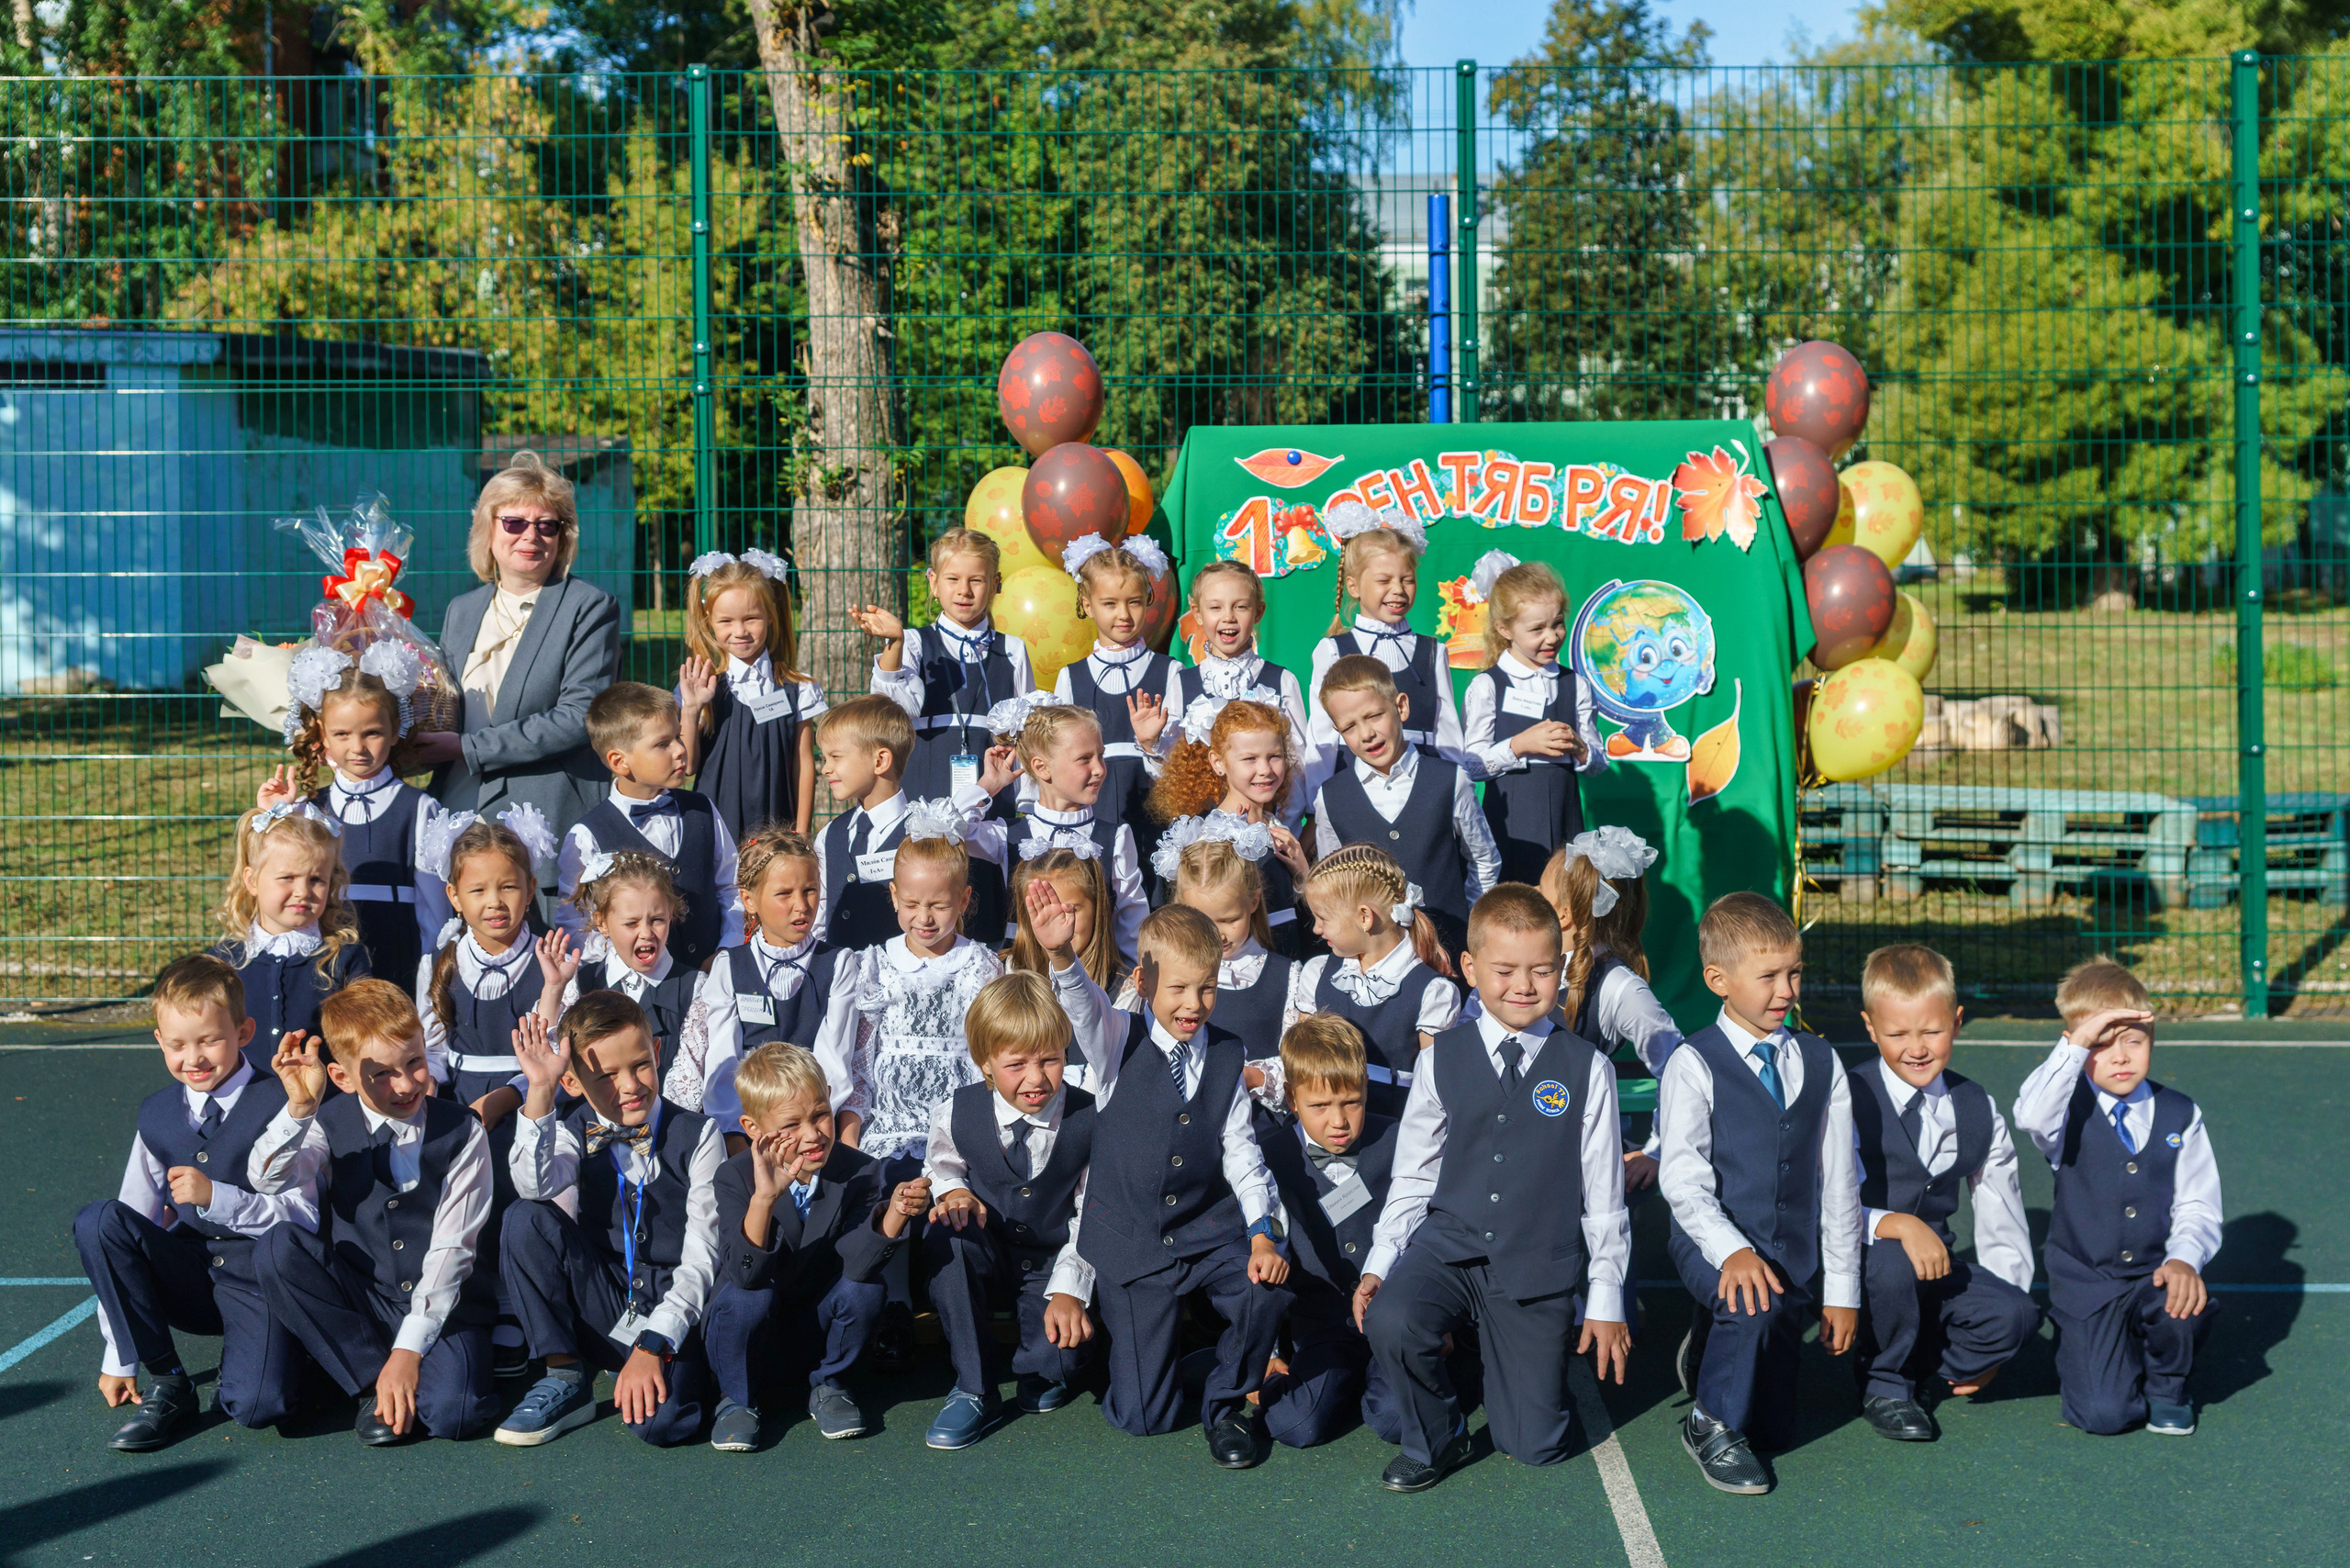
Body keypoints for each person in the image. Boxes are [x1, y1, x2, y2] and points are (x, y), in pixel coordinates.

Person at [1357, 884, 1631, 1493]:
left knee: (1536, 1446)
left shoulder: (1589, 1069)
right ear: (1470, 968)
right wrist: (1381, 1263)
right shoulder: (1439, 1058)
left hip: (1536, 1264)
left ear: (1561, 969)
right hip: (1447, 1248)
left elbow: (1605, 1199)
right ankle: (1439, 1436)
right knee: (1393, 1319)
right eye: (1505, 971)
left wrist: (1607, 1298)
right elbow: (1414, 1175)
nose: (1523, 986)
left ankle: (1512, 1366)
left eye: (1541, 970)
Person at [1041, 890, 1292, 1468]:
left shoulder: (1229, 1053)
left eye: (1207, 987)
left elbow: (1241, 1151)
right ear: (1145, 981)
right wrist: (1062, 958)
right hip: (1132, 1243)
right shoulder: (1116, 1042)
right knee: (1144, 1419)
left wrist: (1260, 1231)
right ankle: (1189, 1360)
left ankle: (1226, 1405)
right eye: (1178, 988)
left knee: (1266, 1288)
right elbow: (1084, 1007)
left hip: (1208, 1230)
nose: (1194, 1003)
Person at [1659, 892, 1860, 1495]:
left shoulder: (1823, 1062)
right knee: (1750, 1300)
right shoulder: (1693, 1063)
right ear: (1719, 980)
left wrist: (1842, 1289)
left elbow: (1840, 1185)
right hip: (1713, 1244)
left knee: (1775, 1427)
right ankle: (1708, 1423)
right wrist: (1730, 1252)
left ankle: (1711, 1351)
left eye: (1794, 972)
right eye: (1768, 976)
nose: (1786, 990)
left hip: (1791, 1255)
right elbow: (1682, 1178)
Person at [248, 979, 498, 1445]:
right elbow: (267, 1180)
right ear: (342, 1078)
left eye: (414, 1063)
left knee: (455, 1415)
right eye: (381, 1073)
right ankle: (366, 1382)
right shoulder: (326, 1123)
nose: (405, 1085)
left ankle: (391, 1371)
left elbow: (452, 1249)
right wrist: (300, 1106)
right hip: (363, 1297)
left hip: (442, 1302)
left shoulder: (463, 1132)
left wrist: (407, 1351)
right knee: (278, 1248)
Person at [73, 955, 308, 1450]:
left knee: (261, 1407)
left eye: (209, 1040)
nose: (194, 1058)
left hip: (259, 1279)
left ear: (244, 1032)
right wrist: (120, 1355)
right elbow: (130, 1221)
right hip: (190, 1277)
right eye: (177, 1044)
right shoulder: (157, 1113)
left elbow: (305, 1215)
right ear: (159, 1041)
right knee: (99, 1221)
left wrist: (218, 1197)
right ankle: (171, 1380)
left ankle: (293, 1350)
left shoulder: (284, 1101)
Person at [492, 996, 726, 1448]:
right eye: (607, 1076)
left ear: (657, 1053)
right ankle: (564, 1373)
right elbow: (533, 1186)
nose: (631, 1086)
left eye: (640, 1065)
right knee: (525, 1218)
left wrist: (656, 1341)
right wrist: (540, 1090)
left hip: (672, 1309)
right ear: (574, 1082)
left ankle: (679, 1371)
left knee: (665, 1426)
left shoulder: (700, 1135)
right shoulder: (569, 1126)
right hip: (606, 1300)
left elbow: (703, 1259)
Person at [822, 807, 1003, 1369]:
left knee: (945, 1194)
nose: (925, 918)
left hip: (956, 1118)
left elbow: (988, 1055)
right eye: (913, 904)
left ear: (965, 901)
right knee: (888, 1189)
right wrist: (851, 1130)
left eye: (940, 905)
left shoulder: (979, 966)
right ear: (894, 899)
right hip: (891, 1117)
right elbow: (858, 1056)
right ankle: (896, 1305)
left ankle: (954, 1308)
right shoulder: (872, 965)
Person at [2013, 957, 2220, 1438]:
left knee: (2183, 1302)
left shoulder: (2179, 1113)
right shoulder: (2062, 1112)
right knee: (2106, 1416)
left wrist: (2185, 1259)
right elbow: (2029, 1115)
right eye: (2102, 1046)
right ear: (2078, 1047)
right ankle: (2091, 1347)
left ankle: (2168, 1386)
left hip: (2153, 1276)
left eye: (2133, 1040)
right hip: (2089, 1287)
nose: (2120, 1057)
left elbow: (2198, 1203)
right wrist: (2077, 1042)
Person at [413, 451, 625, 917]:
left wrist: (465, 748)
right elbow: (441, 703)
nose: (531, 536)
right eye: (514, 523)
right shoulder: (461, 610)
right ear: (488, 531)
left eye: (547, 526)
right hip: (457, 809)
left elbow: (578, 716)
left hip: (543, 815)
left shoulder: (589, 606)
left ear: (562, 538)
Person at [1849, 944, 2040, 1442]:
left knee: (2018, 1313)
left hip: (1934, 1266)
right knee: (1893, 1264)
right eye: (1897, 1034)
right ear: (1870, 1028)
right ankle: (1885, 1382)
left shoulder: (1976, 1105)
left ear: (1956, 1022)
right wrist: (1896, 1225)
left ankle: (1921, 1362)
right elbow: (1825, 1198)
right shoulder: (1848, 1097)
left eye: (1931, 1031)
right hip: (1858, 1260)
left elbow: (2001, 1210)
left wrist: (2002, 1333)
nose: (1916, 1048)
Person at [415, 810, 572, 1378]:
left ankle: (512, 1307)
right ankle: (466, 1301)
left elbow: (549, 1043)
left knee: (511, 1196)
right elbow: (430, 1041)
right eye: (478, 889)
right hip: (461, 1102)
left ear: (531, 889)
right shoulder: (443, 961)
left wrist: (504, 1102)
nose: (495, 901)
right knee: (461, 1203)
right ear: (454, 895)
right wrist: (433, 1092)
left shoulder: (550, 961)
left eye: (509, 886)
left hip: (524, 1096)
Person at [917, 970, 1097, 1450]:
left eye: (1051, 1060)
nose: (1036, 1079)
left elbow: (1092, 1212)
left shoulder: (1088, 1118)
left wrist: (1071, 1290)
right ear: (985, 1064)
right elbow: (940, 1166)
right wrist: (952, 1191)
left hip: (1052, 1260)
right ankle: (974, 1387)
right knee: (945, 1237)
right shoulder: (955, 1111)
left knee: (1059, 1359)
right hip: (988, 1249)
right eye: (1016, 1064)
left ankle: (1046, 1360)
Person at [700, 1042, 912, 1449]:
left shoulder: (859, 1170)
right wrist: (764, 1197)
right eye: (791, 1125)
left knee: (867, 1290)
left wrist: (895, 1214)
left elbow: (858, 1266)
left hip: (812, 1332)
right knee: (748, 1299)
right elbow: (744, 1274)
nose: (812, 1135)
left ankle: (830, 1384)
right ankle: (736, 1399)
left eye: (820, 1116)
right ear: (754, 1129)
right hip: (747, 1333)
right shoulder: (734, 1176)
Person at [1254, 1014, 1404, 1450]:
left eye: (1352, 1102)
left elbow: (1427, 1229)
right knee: (1296, 1427)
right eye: (1320, 1106)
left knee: (1397, 1421)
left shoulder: (1399, 1141)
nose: (1339, 1120)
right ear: (1291, 1098)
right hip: (1320, 1327)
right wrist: (1262, 1357)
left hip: (1393, 1320)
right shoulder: (1269, 1157)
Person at [259, 660, 453, 988]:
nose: (358, 748)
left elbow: (435, 915)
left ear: (395, 729)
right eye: (342, 734)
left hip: (397, 961)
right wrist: (276, 817)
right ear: (323, 734)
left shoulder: (419, 809)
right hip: (326, 966)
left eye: (372, 733)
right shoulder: (307, 809)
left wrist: (431, 989)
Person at [1312, 654, 1500, 961]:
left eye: (1374, 716)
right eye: (1350, 726)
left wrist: (1474, 930)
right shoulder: (1330, 797)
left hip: (1449, 953)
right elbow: (1334, 883)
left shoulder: (1450, 781)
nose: (1366, 734)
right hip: (1372, 962)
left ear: (1401, 707)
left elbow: (1483, 860)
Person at [554, 681, 744, 971]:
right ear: (619, 761)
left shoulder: (702, 810)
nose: (681, 750)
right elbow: (579, 924)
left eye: (679, 737)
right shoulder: (587, 837)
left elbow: (731, 886)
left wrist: (726, 952)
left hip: (713, 978)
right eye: (662, 744)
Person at [1541, 832, 1682, 1203]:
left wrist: (1658, 1151)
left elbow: (1680, 1070)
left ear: (1563, 915)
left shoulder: (1619, 988)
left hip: (1581, 1170)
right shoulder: (1516, 969)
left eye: (1538, 893)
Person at [1272, 845, 1460, 1119]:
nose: (1316, 928)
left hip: (1395, 1135)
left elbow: (1435, 1089)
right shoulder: (1318, 973)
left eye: (1323, 918)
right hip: (1325, 1129)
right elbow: (1303, 1062)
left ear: (1364, 917)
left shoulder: (1432, 992)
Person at [856, 526, 1035, 812]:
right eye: (953, 579)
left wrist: (1028, 806)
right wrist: (895, 642)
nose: (964, 590)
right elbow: (892, 710)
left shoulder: (1013, 649)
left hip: (993, 799)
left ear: (995, 584)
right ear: (934, 583)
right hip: (923, 791)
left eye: (976, 580)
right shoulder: (914, 642)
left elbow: (1029, 738)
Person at [697, 828, 857, 1143]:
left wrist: (810, 1125)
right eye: (784, 894)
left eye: (810, 890)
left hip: (814, 1127)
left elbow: (835, 1063)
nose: (802, 905)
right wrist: (734, 1135)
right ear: (749, 900)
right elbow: (723, 1064)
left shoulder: (839, 964)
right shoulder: (729, 967)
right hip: (750, 1130)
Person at [1460, 555, 1606, 885]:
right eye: (1537, 629)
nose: (1552, 637)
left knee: (1566, 905)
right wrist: (1519, 745)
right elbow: (1469, 765)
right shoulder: (1487, 686)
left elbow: (1599, 762)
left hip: (1566, 823)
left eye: (1557, 624)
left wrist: (1582, 750)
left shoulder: (1575, 684)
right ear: (1504, 629)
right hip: (1511, 826)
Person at [677, 549, 826, 841]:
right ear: (709, 621)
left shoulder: (799, 689)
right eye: (726, 621)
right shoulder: (702, 688)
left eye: (751, 618)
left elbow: (804, 762)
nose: (740, 631)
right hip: (716, 831)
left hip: (778, 829)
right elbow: (689, 767)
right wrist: (691, 710)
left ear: (771, 616)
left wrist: (803, 832)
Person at [210, 801, 370, 1075]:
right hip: (245, 1107)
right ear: (251, 881)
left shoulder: (346, 959)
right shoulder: (223, 962)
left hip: (324, 1104)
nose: (302, 891)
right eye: (287, 877)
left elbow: (364, 1039)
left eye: (316, 879)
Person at [555, 854, 722, 1114]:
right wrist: (552, 990)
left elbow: (688, 1087)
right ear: (602, 923)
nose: (646, 933)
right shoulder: (580, 983)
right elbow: (553, 1065)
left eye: (657, 920)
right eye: (631, 923)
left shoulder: (695, 988)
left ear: (671, 913)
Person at [982, 701, 1145, 963]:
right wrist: (987, 786)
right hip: (1024, 980)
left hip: (1092, 980)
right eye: (1085, 759)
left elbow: (1133, 924)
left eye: (1100, 756)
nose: (1100, 769)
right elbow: (940, 833)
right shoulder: (1005, 835)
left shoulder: (1115, 837)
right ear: (1041, 767)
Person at [1149, 697, 1313, 952]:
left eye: (1274, 756)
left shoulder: (1275, 827)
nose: (1265, 770)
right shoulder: (1208, 838)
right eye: (1250, 759)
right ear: (1218, 762)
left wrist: (1303, 875)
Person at [1305, 506, 1465, 767]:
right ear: (1354, 586)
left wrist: (1459, 787)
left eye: (1407, 580)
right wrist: (1316, 801)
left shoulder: (1433, 651)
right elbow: (1321, 737)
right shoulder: (1332, 650)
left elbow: (1448, 734)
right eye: (1384, 581)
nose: (1398, 590)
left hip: (1424, 780)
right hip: (1354, 782)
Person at [1048, 537, 1175, 865]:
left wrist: (1152, 745)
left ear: (1148, 600)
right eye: (1109, 604)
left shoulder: (1170, 671)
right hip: (1091, 813)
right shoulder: (1071, 677)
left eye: (1134, 602)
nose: (1124, 615)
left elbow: (1180, 760)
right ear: (1088, 605)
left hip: (1155, 813)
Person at [1164, 557, 1320, 818]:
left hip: (1268, 833)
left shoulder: (1281, 680)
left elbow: (1298, 767)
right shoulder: (1182, 683)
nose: (1228, 617)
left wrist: (1286, 830)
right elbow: (1170, 769)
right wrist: (1150, 743)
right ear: (1197, 612)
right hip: (1203, 837)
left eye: (1240, 607)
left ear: (1258, 612)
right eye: (1215, 607)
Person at [1146, 834, 1290, 1054]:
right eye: (1204, 921)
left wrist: (1258, 1077)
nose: (1216, 935)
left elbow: (1297, 1059)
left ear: (1253, 901)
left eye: (1229, 920)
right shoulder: (1162, 972)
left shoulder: (1288, 976)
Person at [811, 695, 919, 950]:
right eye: (825, 759)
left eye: (836, 757)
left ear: (880, 761)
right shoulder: (830, 835)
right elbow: (821, 912)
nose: (825, 769)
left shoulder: (921, 832)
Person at [1006, 846, 1124, 1002]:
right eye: (1042, 910)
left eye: (1070, 909)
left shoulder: (1122, 988)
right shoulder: (1008, 970)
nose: (1060, 925)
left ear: (1097, 909)